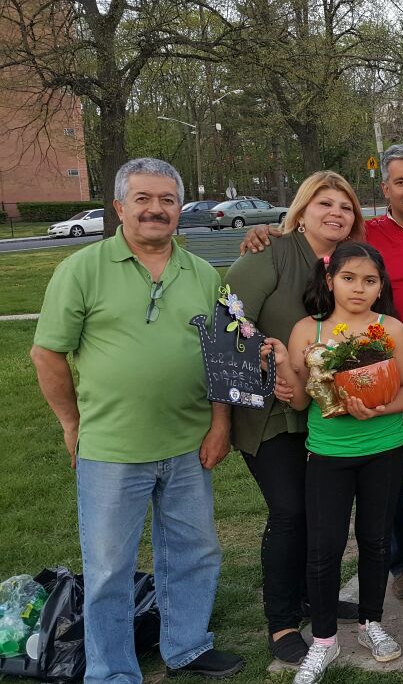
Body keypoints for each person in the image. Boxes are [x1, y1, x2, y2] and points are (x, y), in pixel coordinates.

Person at [31, 157, 244, 682]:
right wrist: (70, 422)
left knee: (194, 552)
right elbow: (47, 354)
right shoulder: (82, 269)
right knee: (107, 570)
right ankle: (110, 671)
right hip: (111, 448)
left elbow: (223, 355)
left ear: (179, 209)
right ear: (120, 206)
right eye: (144, 199)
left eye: (167, 200)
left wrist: (221, 425)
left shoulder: (201, 273)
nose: (156, 210)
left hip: (188, 443)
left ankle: (187, 645)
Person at [242, 145, 403, 597]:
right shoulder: (365, 237)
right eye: (400, 182)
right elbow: (321, 245)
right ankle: (399, 561)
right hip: (366, 374)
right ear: (385, 188)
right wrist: (269, 232)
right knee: (382, 481)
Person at [263, 242, 403, 684]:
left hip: (383, 449)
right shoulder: (306, 332)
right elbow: (297, 397)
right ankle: (325, 642)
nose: (359, 289)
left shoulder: (391, 329)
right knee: (323, 548)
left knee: (374, 541)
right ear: (329, 281)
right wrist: (282, 375)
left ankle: (372, 623)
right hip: (328, 454)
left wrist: (379, 409)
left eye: (370, 281)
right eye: (349, 278)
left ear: (380, 286)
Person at [227, 170, 365, 663]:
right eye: (324, 203)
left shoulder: (350, 263)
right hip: (270, 411)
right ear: (302, 208)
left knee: (318, 512)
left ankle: (312, 598)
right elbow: (229, 319)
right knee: (288, 512)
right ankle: (283, 622)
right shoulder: (270, 252)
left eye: (345, 206)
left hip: (323, 412)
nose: (336, 213)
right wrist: (272, 366)